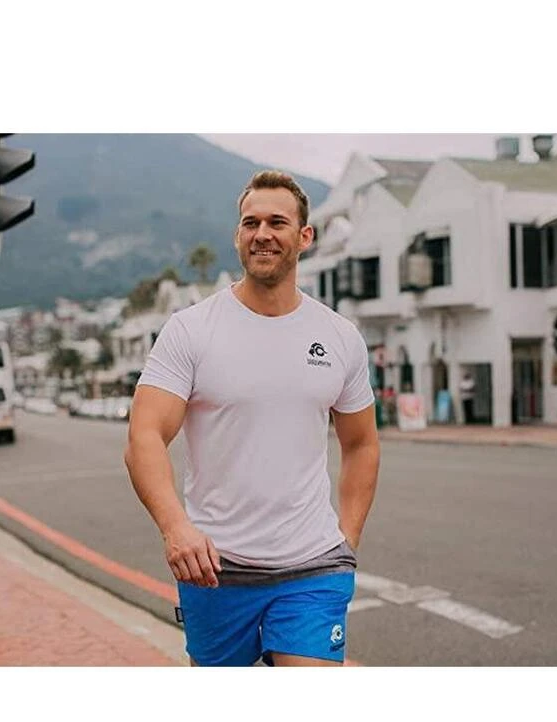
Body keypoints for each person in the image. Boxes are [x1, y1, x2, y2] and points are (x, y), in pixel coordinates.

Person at [124, 171, 380, 667]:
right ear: (238, 235)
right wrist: (175, 528)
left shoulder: (339, 337)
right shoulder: (191, 330)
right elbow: (144, 436)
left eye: (277, 222)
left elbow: (362, 443)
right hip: (215, 570)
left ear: (304, 236)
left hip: (314, 567)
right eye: (251, 223)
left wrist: (346, 541)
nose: (262, 233)